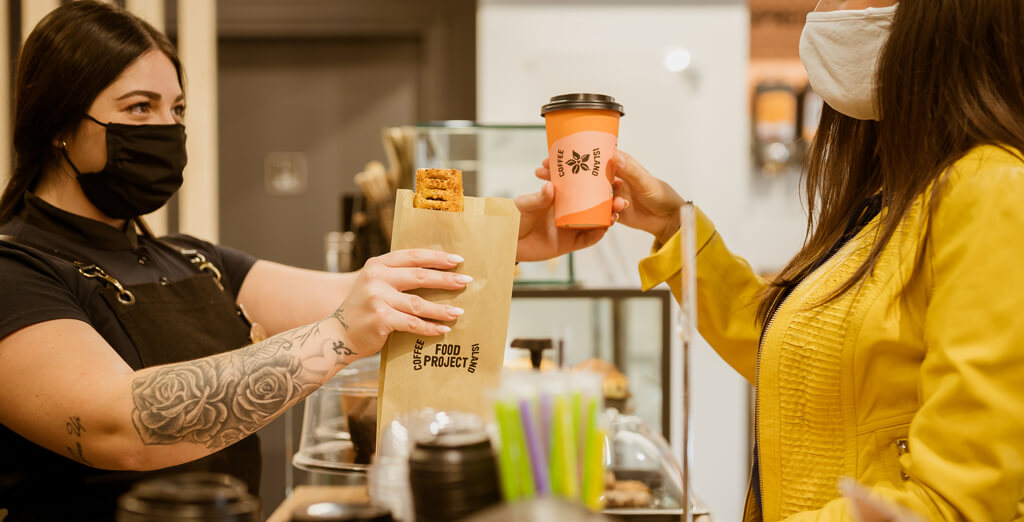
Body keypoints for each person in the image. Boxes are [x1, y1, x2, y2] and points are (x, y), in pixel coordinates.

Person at [0, 2, 583, 520]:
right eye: (140, 108)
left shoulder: (192, 259)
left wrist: (498, 242)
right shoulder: (15, 269)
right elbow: (117, 424)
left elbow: (362, 292)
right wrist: (338, 337)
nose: (168, 129)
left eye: (176, 110)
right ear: (58, 125)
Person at [517, 0, 1024, 520]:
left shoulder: (990, 189)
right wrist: (674, 228)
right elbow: (796, 355)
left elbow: (956, 500)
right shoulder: (891, 194)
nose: (830, 9)